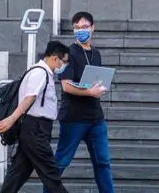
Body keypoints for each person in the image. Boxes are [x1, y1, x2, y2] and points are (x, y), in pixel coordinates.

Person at [49, 12, 114, 193]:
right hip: (73, 118)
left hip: (95, 118)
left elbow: (95, 81)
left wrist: (99, 88)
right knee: (61, 162)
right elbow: (66, 86)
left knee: (103, 163)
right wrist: (89, 91)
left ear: (92, 28)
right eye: (76, 28)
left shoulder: (96, 54)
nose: (80, 31)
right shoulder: (68, 54)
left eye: (84, 27)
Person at [0, 41, 71, 193]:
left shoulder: (41, 72)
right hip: (35, 129)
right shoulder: (40, 73)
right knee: (51, 174)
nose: (63, 66)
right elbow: (29, 98)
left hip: (34, 129)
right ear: (55, 58)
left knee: (17, 173)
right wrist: (11, 119)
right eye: (63, 61)